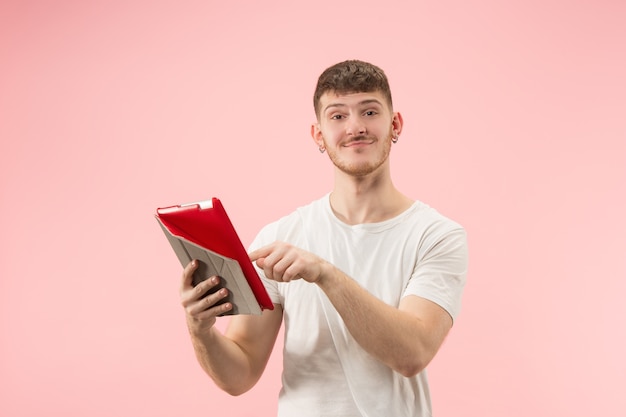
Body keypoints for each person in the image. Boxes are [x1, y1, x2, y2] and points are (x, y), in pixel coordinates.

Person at [179, 59, 468, 416]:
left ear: (395, 125)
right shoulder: (280, 236)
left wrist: (325, 274)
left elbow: (412, 354)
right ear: (318, 135)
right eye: (337, 116)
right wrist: (201, 330)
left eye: (370, 111)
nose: (356, 127)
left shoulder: (436, 235)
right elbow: (240, 374)